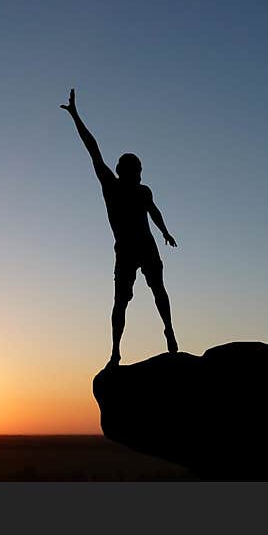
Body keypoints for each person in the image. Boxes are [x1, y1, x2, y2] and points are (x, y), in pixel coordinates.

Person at [61, 88, 179, 365]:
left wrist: (164, 232)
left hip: (146, 247)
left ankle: (169, 330)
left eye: (139, 171)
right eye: (135, 171)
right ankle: (115, 351)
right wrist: (76, 117)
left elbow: (154, 211)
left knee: (158, 291)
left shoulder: (143, 191)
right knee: (120, 302)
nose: (139, 175)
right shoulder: (111, 186)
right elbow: (93, 149)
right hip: (125, 252)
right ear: (124, 171)